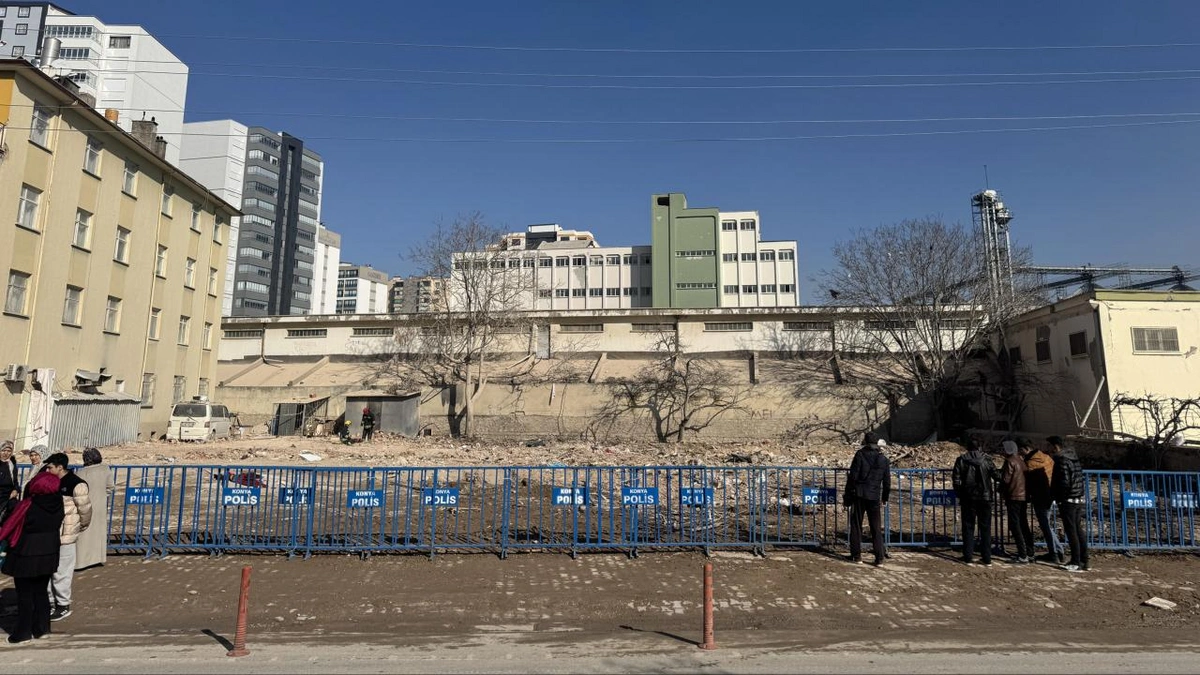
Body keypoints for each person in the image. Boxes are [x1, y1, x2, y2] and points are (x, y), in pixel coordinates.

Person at [0, 471, 63, 644]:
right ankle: (42, 628)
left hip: (27, 553)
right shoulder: (58, 503)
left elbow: (10, 525)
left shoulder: (28, 505)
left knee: (25, 595)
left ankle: (23, 632)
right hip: (49, 552)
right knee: (41, 591)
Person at [43, 452, 91, 622]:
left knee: (62, 571)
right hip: (49, 533)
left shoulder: (76, 484)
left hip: (66, 535)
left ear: (60, 467)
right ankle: (49, 602)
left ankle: (62, 605)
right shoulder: (48, 481)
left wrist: (78, 527)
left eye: (50, 467)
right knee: (47, 569)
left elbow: (85, 510)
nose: (47, 470)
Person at [844, 432, 891, 566]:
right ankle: (879, 558)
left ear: (865, 442)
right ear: (877, 443)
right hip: (874, 496)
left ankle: (857, 556)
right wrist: (885, 498)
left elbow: (853, 477)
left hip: (859, 494)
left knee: (856, 525)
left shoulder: (860, 455)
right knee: (875, 527)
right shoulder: (884, 459)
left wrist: (848, 495)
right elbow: (887, 482)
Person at [952, 437, 999, 566]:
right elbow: (996, 475)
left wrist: (961, 494)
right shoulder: (987, 460)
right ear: (979, 447)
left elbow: (956, 480)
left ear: (967, 447)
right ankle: (987, 557)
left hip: (968, 498)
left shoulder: (961, 460)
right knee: (985, 528)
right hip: (985, 498)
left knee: (968, 527)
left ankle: (968, 556)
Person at [1023, 437, 1065, 564]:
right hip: (1050, 495)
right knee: (1046, 525)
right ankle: (1058, 550)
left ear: (1025, 449)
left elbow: (1029, 481)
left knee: (1045, 525)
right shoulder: (1047, 458)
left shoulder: (1030, 463)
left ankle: (1055, 552)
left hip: (1040, 497)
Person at [1050, 436, 1089, 572]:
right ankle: (1084, 560)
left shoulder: (1061, 461)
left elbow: (1064, 482)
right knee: (1078, 530)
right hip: (1078, 498)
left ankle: (1075, 561)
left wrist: (1060, 497)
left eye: (1051, 447)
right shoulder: (1074, 458)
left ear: (1056, 447)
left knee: (1071, 531)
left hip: (1068, 500)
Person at [74, 449, 114, 571]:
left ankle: (81, 561)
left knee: (83, 533)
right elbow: (110, 487)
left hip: (83, 505)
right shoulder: (105, 470)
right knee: (98, 531)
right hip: (100, 505)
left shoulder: (79, 473)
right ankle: (97, 557)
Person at [999, 440, 1035, 563]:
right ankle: (1030, 552)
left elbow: (1005, 480)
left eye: (1003, 449)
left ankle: (1022, 554)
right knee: (1024, 524)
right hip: (1023, 497)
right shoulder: (1022, 461)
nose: (1002, 451)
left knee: (1016, 525)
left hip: (1013, 496)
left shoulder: (1010, 462)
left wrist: (1001, 490)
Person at [0, 441, 19, 523]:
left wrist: (16, 490)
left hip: (9, 495)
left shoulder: (12, 464)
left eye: (8, 451)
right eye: (3, 450)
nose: (6, 453)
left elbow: (15, 481)